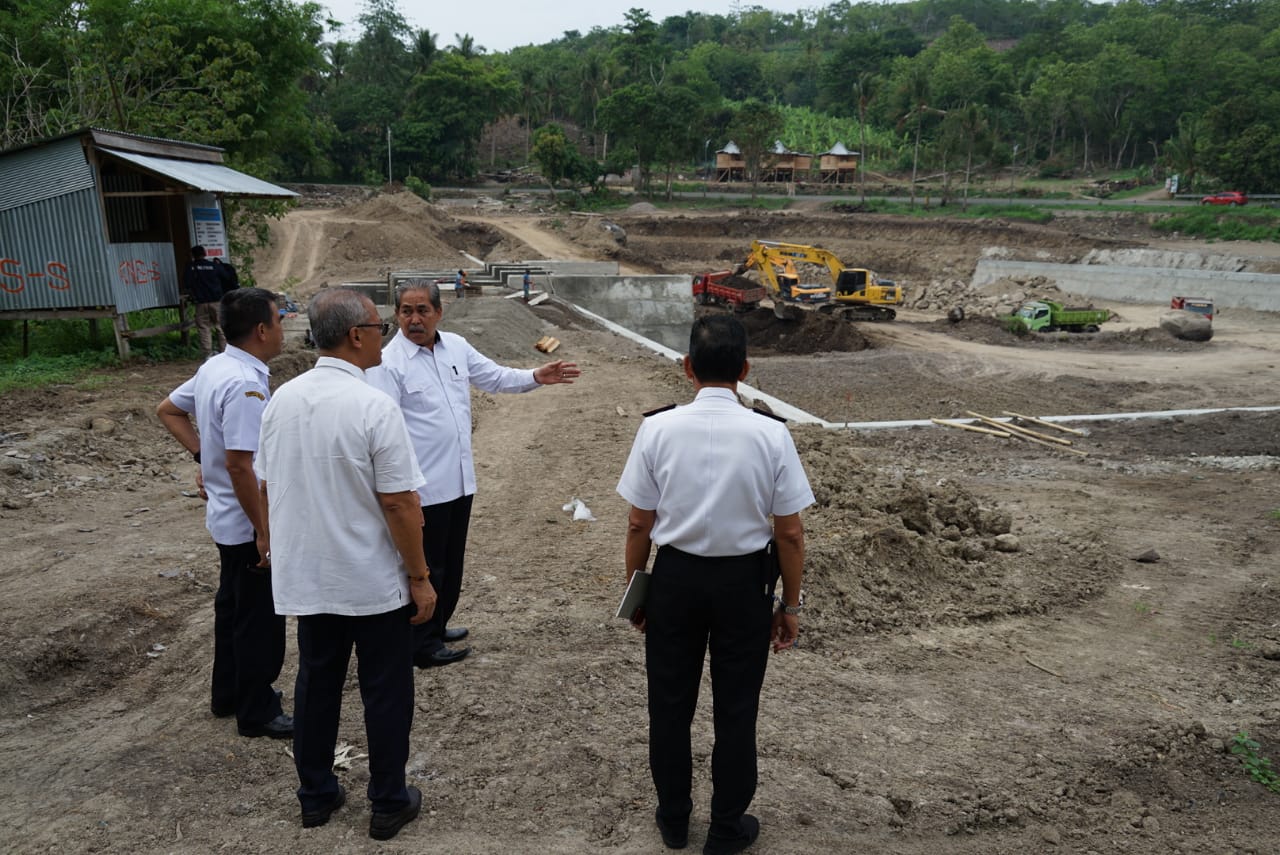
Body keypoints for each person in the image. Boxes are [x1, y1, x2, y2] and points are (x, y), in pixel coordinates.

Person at [616, 314, 813, 855]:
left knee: (669, 705)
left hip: (676, 578)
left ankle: (674, 820)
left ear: (686, 368)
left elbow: (639, 523)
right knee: (736, 708)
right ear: (746, 370)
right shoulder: (771, 433)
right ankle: (726, 828)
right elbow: (790, 532)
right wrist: (790, 604)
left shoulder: (656, 429)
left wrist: (639, 588)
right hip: (744, 585)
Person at [254, 288, 437, 840]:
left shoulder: (282, 399)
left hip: (311, 575)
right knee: (385, 688)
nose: (387, 333)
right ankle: (387, 800)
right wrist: (420, 577)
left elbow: (266, 483)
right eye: (380, 325)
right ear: (356, 335)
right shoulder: (373, 405)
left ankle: (315, 793)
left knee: (316, 682)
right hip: (370, 579)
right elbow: (400, 502)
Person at [368, 279, 580, 669]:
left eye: (422, 311)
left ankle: (438, 622)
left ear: (438, 312)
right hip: (421, 489)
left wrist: (536, 376)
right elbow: (385, 432)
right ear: (396, 315)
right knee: (424, 566)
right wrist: (403, 487)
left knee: (451, 561)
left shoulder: (457, 348)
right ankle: (420, 642)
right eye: (406, 311)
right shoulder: (388, 363)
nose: (414, 319)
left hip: (459, 480)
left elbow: (496, 377)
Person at [155, 287, 291, 739]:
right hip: (243, 520)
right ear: (261, 330)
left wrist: (201, 457)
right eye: (278, 319)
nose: (282, 328)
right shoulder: (246, 383)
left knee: (231, 608)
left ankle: (228, 693)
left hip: (224, 519)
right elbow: (240, 463)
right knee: (258, 621)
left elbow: (169, 410)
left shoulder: (216, 366)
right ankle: (257, 710)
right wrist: (265, 530)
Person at [184, 245, 230, 359]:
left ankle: (207, 353)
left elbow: (186, 283)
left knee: (204, 327)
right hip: (216, 301)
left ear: (192, 255)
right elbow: (226, 277)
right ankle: (225, 352)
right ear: (205, 254)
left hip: (200, 302)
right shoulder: (214, 266)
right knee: (220, 326)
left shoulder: (191, 267)